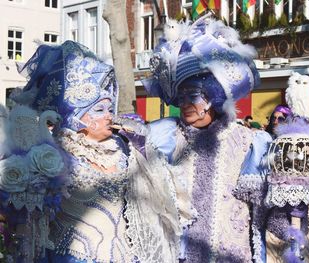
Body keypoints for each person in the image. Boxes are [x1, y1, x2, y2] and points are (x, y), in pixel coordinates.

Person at [9, 41, 181, 263]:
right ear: (73, 115)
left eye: (110, 109)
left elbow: (154, 199)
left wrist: (142, 149)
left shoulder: (122, 148)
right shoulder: (51, 155)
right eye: (99, 110)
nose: (108, 116)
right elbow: (33, 227)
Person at [140, 15, 286, 263]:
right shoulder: (166, 139)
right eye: (181, 98)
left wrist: (291, 208)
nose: (185, 104)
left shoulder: (247, 143)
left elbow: (266, 210)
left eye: (194, 96)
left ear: (214, 99)